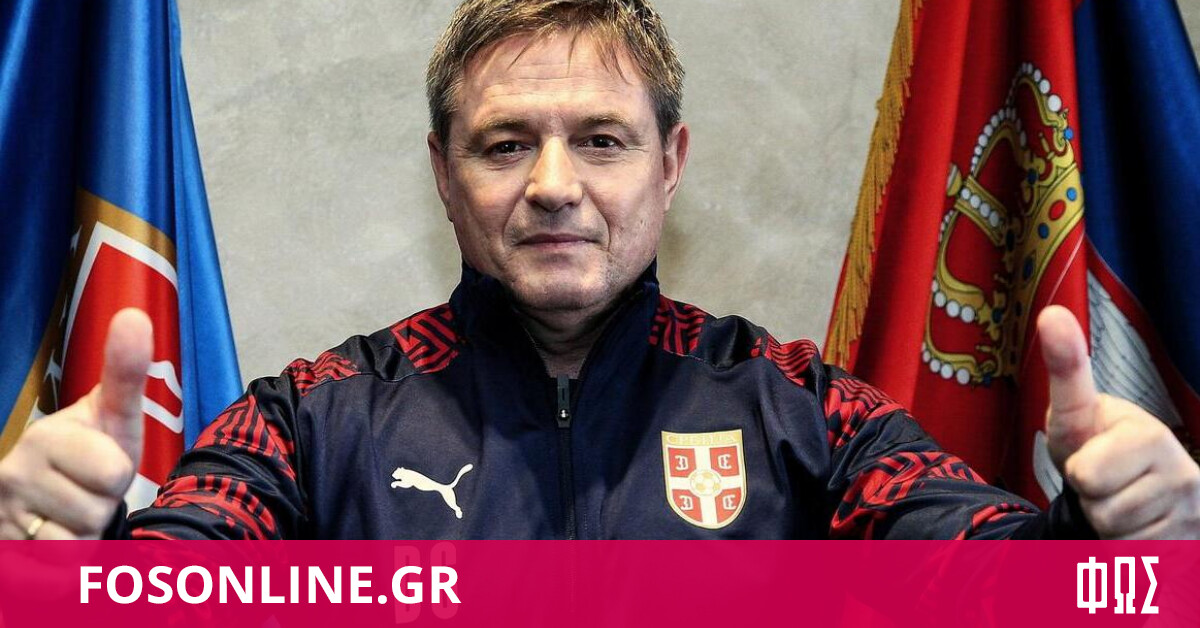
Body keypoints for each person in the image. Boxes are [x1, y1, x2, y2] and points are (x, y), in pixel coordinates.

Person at [1, 0, 1197, 540]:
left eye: (603, 140)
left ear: (670, 166)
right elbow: (179, 570)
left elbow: (984, 572)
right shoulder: (314, 419)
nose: (554, 184)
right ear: (443, 174)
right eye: (504, 144)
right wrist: (70, 547)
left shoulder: (803, 410)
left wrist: (1101, 526)